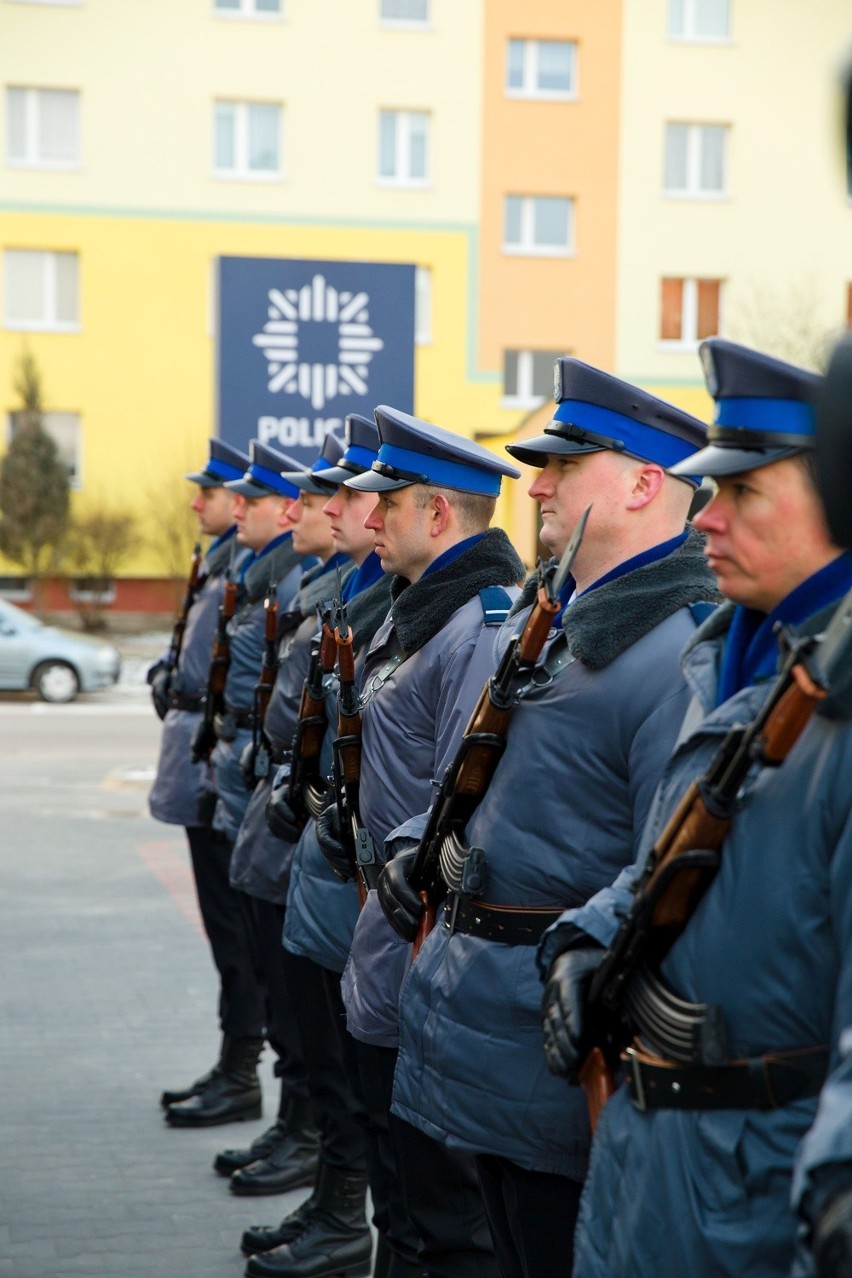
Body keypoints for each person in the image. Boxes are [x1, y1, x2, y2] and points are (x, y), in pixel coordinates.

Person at [382, 358, 718, 1278]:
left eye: (566, 466)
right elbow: (477, 785)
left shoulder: (678, 646)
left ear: (647, 483)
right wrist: (420, 847)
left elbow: (672, 870)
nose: (537, 483)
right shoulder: (554, 619)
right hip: (480, 1023)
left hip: (550, 1048)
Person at [539, 339, 852, 1277]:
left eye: (744, 492)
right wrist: (585, 941)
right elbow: (663, 856)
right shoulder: (729, 655)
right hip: (660, 1164)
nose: (705, 519)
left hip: (760, 1190)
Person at [297, 406, 525, 1278]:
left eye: (386, 504)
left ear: (436, 514)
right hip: (381, 930)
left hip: (420, 935)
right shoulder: (416, 610)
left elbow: (459, 800)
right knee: (400, 1191)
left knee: (443, 1211)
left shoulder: (479, 623)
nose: (368, 518)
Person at [241, 413, 394, 1278]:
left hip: (359, 883)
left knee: (351, 1077)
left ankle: (343, 1216)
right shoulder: (350, 595)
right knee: (319, 1055)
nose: (328, 506)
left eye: (349, 491)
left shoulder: (412, 609)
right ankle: (331, 1200)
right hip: (318, 859)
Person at [211, 429, 348, 1195]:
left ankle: (317, 1158)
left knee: (319, 1028)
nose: (301, 510)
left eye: (326, 496)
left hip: (325, 839)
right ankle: (302, 1136)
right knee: (285, 995)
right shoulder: (312, 588)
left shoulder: (356, 599)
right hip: (280, 809)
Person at [165, 439, 311, 1129]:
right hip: (222, 766)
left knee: (257, 953)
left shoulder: (284, 581)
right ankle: (241, 1074)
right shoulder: (245, 568)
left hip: (249, 776)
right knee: (238, 944)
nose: (206, 504)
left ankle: (254, 1085)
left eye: (241, 497)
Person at [148, 438, 269, 1114]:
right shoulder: (224, 564)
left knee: (238, 933)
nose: (200, 502)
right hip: (201, 758)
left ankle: (242, 1071)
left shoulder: (253, 574)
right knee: (227, 933)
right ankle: (234, 1064)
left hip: (222, 764)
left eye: (216, 494)